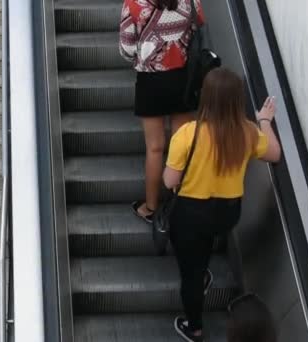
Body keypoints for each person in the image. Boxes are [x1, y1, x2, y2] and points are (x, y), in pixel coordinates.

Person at [163, 68, 282, 342]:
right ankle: (202, 272)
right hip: (227, 214)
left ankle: (194, 328)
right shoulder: (248, 132)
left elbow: (170, 180)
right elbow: (275, 153)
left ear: (205, 98)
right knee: (203, 242)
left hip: (191, 214)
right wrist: (264, 120)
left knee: (189, 274)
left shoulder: (187, 134)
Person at [120, 0, 206, 223]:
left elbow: (127, 48)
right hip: (182, 79)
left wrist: (146, 55)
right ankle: (183, 205)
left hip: (151, 82)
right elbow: (199, 24)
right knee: (183, 145)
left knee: (155, 148)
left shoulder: (133, 4)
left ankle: (150, 208)